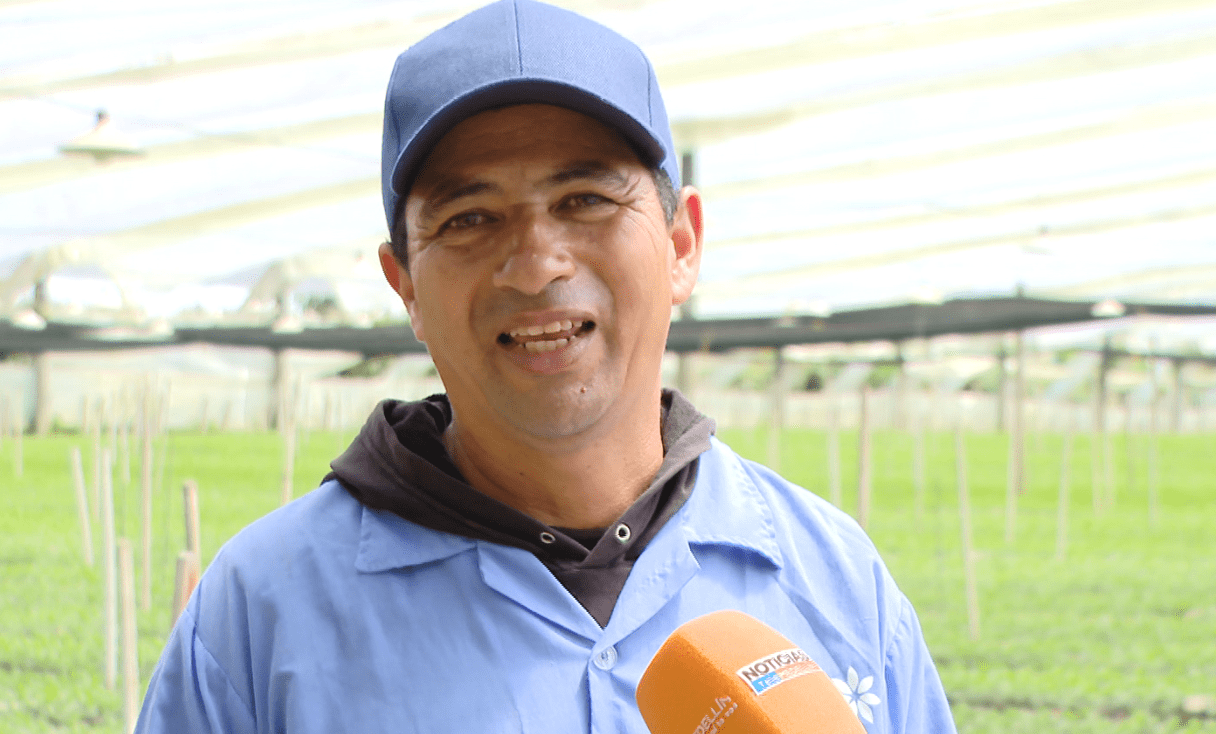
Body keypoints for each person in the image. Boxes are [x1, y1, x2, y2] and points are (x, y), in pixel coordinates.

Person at [136, 1, 958, 732]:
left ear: (681, 246)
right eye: (470, 217)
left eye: (587, 200)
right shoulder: (263, 615)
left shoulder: (835, 579)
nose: (534, 264)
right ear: (406, 286)